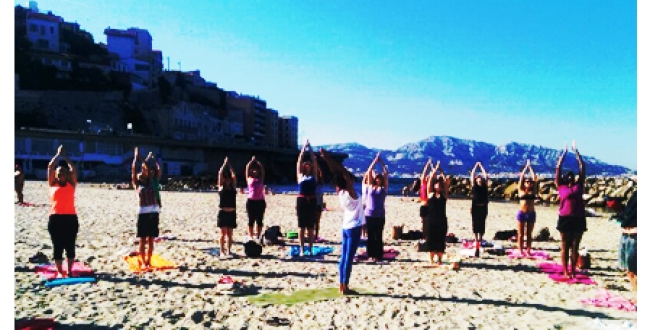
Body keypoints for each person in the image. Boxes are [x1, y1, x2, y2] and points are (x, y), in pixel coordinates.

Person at [320, 148, 363, 295]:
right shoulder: (351, 193)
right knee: (348, 259)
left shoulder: (341, 193)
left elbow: (337, 174)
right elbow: (342, 173)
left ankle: (341, 285)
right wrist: (329, 159)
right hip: (353, 228)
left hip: (345, 227)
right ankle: (345, 286)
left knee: (343, 257)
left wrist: (327, 160)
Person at [554, 141, 587, 278]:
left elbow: (582, 167)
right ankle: (565, 270)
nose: (570, 178)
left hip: (578, 217)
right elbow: (558, 168)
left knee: (575, 246)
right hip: (565, 218)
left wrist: (576, 152)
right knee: (565, 246)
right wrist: (564, 154)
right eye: (568, 177)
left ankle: (573, 270)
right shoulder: (560, 186)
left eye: (572, 176)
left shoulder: (579, 185)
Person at [47, 145, 79, 278]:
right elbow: (50, 167)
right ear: (56, 175)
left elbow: (73, 169)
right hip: (55, 219)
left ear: (66, 175)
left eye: (63, 173)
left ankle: (70, 270)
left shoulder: (71, 184)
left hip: (70, 218)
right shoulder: (52, 184)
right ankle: (60, 272)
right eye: (58, 173)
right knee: (58, 246)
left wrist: (65, 157)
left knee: (70, 246)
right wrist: (57, 155)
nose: (61, 175)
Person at [132, 147, 161, 269]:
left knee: (151, 240)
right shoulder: (138, 184)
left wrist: (149, 159)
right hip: (143, 213)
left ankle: (148, 261)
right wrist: (135, 158)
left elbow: (157, 170)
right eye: (143, 171)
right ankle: (143, 261)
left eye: (146, 170)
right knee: (143, 240)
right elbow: (133, 171)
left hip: (154, 212)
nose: (145, 172)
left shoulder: (152, 181)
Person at [363, 152, 388, 261]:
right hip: (369, 214)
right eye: (376, 178)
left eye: (379, 178)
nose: (378, 179)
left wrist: (382, 162)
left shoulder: (383, 189)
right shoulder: (369, 187)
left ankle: (378, 255)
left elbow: (386, 173)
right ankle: (371, 254)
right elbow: (369, 172)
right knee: (370, 236)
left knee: (378, 235)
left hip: (380, 215)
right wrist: (374, 161)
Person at [296, 139, 319, 256]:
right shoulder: (300, 176)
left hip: (312, 200)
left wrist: (310, 150)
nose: (307, 165)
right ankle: (302, 248)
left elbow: (315, 162)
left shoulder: (314, 176)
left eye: (308, 164)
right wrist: (303, 149)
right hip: (302, 200)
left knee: (311, 226)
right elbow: (299, 162)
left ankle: (310, 248)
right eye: (305, 164)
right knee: (301, 226)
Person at [425, 161, 451, 264]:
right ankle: (431, 258)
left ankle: (439, 258)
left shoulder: (444, 196)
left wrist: (442, 171)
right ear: (434, 186)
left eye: (440, 185)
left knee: (440, 239)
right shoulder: (430, 194)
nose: (438, 186)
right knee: (431, 238)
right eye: (437, 185)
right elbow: (430, 180)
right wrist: (435, 169)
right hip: (431, 220)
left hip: (441, 220)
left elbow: (446, 183)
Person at [617, 190, 637, 304]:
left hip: (635, 236)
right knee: (628, 269)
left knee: (636, 269)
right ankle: (636, 293)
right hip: (625, 233)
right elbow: (627, 213)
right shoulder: (635, 194)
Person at [516, 159, 538, 255]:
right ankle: (521, 250)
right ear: (524, 183)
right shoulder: (520, 190)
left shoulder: (533, 191)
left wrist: (531, 168)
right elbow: (521, 177)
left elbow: (535, 177)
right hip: (522, 213)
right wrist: (526, 168)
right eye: (527, 181)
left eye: (530, 182)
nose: (529, 183)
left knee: (529, 234)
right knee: (520, 234)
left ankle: (528, 250)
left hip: (531, 213)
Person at [217, 157, 238, 257]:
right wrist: (224, 165)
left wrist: (230, 166)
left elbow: (234, 176)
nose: (228, 180)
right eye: (226, 179)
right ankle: (222, 251)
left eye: (228, 179)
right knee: (223, 234)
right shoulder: (221, 188)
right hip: (223, 213)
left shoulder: (233, 188)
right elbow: (219, 174)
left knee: (230, 234)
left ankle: (229, 251)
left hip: (232, 213)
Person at [470, 162, 489, 257]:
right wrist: (475, 166)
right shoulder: (474, 186)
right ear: (476, 180)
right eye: (478, 178)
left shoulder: (485, 186)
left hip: (483, 206)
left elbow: (486, 176)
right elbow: (472, 175)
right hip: (475, 207)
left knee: (482, 223)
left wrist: (481, 166)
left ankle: (480, 238)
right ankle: (476, 239)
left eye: (480, 178)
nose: (479, 179)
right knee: (475, 223)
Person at [245, 156, 266, 240]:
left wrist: (258, 163)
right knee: (251, 220)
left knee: (259, 220)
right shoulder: (249, 179)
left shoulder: (260, 179)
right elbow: (247, 169)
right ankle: (251, 236)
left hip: (260, 201)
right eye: (253, 170)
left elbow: (262, 170)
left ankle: (258, 235)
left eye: (256, 170)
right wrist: (251, 162)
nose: (255, 171)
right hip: (251, 201)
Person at [419, 159, 433, 236]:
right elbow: (423, 174)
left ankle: (428, 235)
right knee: (423, 222)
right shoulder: (423, 184)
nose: (428, 177)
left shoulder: (431, 186)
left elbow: (433, 174)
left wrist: (432, 166)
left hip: (430, 205)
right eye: (427, 176)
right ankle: (424, 235)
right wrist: (427, 164)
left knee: (429, 222)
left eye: (429, 177)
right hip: (423, 205)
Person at [314, 168, 325, 240]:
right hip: (313, 204)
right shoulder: (312, 183)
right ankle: (313, 235)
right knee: (312, 221)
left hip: (318, 204)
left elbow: (321, 196)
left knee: (317, 222)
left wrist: (322, 204)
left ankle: (316, 236)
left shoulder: (320, 184)